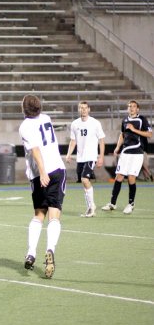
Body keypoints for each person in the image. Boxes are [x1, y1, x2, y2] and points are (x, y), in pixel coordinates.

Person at [19, 94, 66, 278]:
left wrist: (42, 171)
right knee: (54, 215)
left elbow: (36, 150)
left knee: (39, 214)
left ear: (23, 109)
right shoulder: (46, 118)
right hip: (57, 170)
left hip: (41, 173)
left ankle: (31, 252)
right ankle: (50, 250)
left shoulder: (24, 126)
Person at [102, 100, 152, 214]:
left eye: (134, 106)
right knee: (118, 177)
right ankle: (112, 203)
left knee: (131, 178)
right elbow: (122, 135)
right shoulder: (124, 120)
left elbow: (149, 134)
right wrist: (117, 147)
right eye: (129, 106)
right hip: (125, 152)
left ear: (137, 109)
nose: (131, 108)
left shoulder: (142, 120)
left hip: (137, 153)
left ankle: (131, 204)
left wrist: (134, 129)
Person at [66, 101, 105, 217]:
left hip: (91, 156)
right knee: (84, 183)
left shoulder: (95, 123)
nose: (83, 110)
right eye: (80, 108)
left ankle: (92, 206)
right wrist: (68, 154)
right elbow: (73, 141)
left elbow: (101, 140)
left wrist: (101, 157)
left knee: (84, 179)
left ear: (89, 109)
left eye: (85, 108)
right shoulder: (74, 124)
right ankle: (89, 208)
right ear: (78, 110)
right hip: (80, 158)